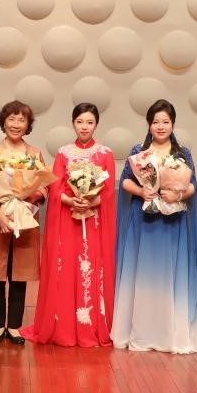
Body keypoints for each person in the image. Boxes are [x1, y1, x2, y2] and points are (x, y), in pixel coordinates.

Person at [112, 99, 197, 354]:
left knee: (170, 272)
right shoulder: (139, 151)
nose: (161, 126)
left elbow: (191, 186)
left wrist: (177, 195)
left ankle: (170, 333)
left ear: (173, 124)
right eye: (156, 122)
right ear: (149, 124)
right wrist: (142, 192)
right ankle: (142, 331)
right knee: (142, 272)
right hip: (144, 219)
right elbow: (125, 182)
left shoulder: (182, 153)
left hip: (172, 221)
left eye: (165, 122)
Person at [24, 102, 117, 347]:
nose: (84, 127)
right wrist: (71, 200)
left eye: (90, 122)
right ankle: (62, 326)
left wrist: (91, 201)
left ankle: (91, 326)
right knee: (65, 269)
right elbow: (55, 188)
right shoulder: (63, 153)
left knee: (91, 269)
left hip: (93, 221)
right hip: (68, 220)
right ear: (73, 123)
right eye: (80, 122)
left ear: (96, 124)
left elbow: (108, 191)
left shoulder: (106, 154)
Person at [0, 100, 46, 346]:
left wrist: (27, 197)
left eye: (21, 120)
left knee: (19, 274)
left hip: (24, 218)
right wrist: (1, 216)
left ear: (28, 125)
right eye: (11, 119)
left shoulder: (34, 154)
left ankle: (14, 325)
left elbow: (43, 187)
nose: (16, 124)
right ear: (3, 122)